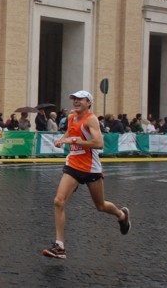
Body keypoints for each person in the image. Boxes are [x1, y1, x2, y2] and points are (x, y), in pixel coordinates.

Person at [42, 90, 131, 259]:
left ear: (88, 102)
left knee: (101, 206)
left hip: (91, 168)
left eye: (79, 99)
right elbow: (71, 132)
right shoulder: (71, 117)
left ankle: (121, 215)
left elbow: (99, 143)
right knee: (58, 201)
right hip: (73, 165)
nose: (75, 101)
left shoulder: (91, 119)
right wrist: (62, 139)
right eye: (74, 99)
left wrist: (74, 141)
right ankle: (60, 247)